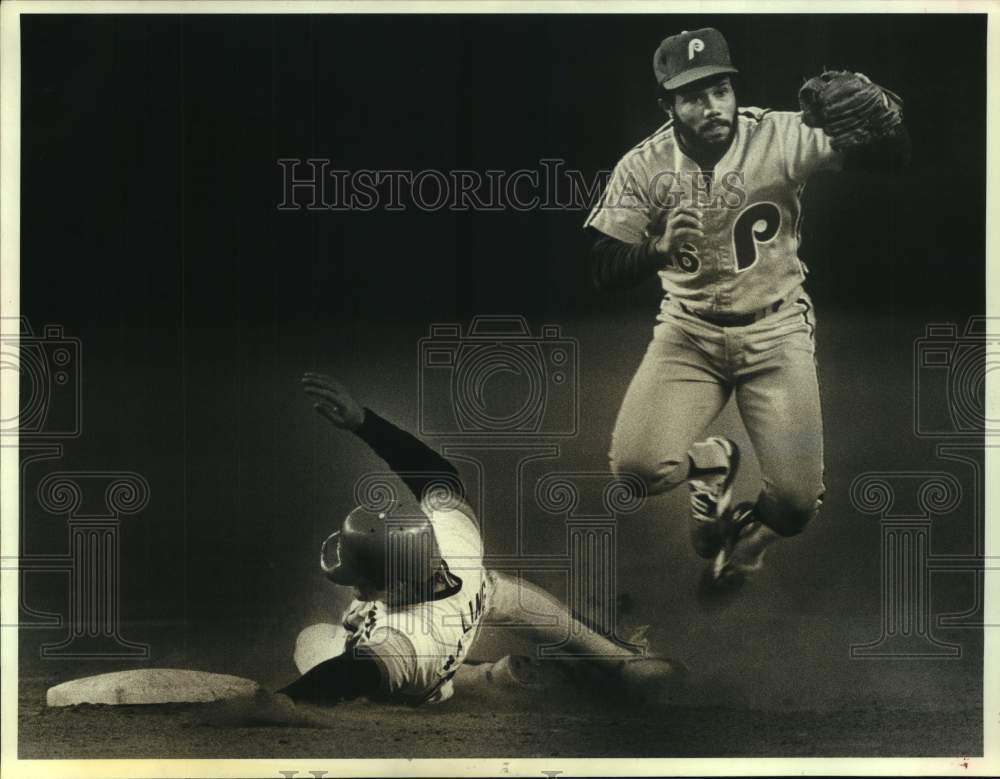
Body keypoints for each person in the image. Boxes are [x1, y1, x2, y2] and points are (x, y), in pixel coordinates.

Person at [585, 28, 909, 591]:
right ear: (669, 105)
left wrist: (888, 131)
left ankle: (752, 541)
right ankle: (711, 466)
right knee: (635, 469)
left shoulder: (781, 135)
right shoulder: (643, 165)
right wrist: (654, 251)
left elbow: (891, 161)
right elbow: (602, 265)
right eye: (692, 96)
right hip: (687, 335)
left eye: (719, 90)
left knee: (795, 505)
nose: (711, 106)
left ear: (734, 90)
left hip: (777, 329)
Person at [234, 373, 682, 722]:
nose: (353, 586)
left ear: (383, 586)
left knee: (315, 640)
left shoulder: (405, 642)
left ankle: (485, 681)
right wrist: (363, 423)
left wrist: (272, 704)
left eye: (360, 582)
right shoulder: (454, 543)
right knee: (509, 598)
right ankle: (616, 663)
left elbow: (345, 675)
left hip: (423, 676)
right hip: (484, 595)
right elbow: (436, 475)